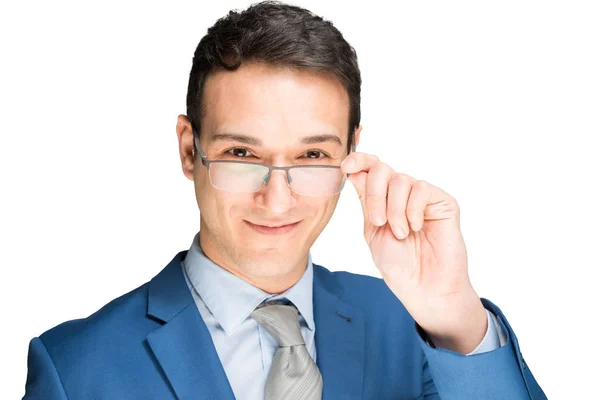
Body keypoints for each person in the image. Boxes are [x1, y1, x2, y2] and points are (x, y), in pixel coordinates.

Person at [23, 1, 547, 399]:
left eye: (312, 157)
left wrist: (455, 313)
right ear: (189, 150)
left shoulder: (415, 328)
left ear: (350, 156)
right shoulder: (76, 368)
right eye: (242, 153)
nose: (277, 199)